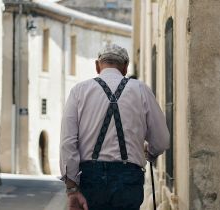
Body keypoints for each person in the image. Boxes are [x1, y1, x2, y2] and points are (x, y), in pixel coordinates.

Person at [60, 44, 170, 210]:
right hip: (128, 179)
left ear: (97, 65)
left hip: (91, 179)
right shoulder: (141, 90)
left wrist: (72, 188)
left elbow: (67, 142)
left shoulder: (79, 91)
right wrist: (151, 152)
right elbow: (161, 141)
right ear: (125, 67)